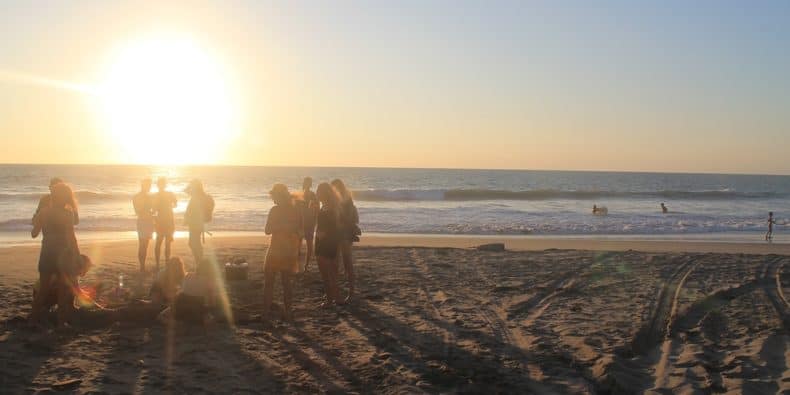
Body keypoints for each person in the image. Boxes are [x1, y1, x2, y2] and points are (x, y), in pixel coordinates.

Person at [30, 182, 81, 328]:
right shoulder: (67, 214)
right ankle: (60, 323)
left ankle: (32, 320)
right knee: (62, 291)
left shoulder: (44, 212)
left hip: (46, 254)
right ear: (66, 198)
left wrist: (37, 222)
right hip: (62, 256)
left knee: (43, 290)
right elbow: (71, 238)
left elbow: (34, 234)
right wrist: (77, 256)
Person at [262, 184, 303, 321]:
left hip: (278, 250)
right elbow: (299, 231)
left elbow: (268, 230)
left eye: (274, 196)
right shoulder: (294, 210)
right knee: (285, 283)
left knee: (271, 283)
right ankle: (287, 312)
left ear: (279, 196)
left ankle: (267, 314)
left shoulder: (276, 210)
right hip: (287, 250)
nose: (273, 200)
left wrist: (279, 227)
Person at [331, 179, 360, 303]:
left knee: (346, 263)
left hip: (344, 235)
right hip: (338, 234)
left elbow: (350, 220)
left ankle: (351, 292)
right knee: (337, 263)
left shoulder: (346, 202)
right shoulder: (341, 201)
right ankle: (338, 291)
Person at [315, 183, 343, 307]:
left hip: (327, 241)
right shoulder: (326, 206)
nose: (317, 194)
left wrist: (323, 235)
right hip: (325, 241)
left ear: (324, 193)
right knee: (331, 272)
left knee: (327, 273)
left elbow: (335, 227)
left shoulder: (330, 208)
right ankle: (335, 297)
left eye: (319, 192)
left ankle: (330, 300)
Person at [171, 259, 218, 324]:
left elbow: (183, 290)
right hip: (195, 306)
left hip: (180, 304)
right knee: (212, 316)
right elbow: (212, 301)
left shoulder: (188, 275)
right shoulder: (209, 279)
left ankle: (180, 320)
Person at [184, 179, 214, 265]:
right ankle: (199, 261)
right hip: (198, 222)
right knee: (195, 242)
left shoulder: (196, 197)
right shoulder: (200, 195)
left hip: (195, 223)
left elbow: (186, 191)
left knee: (193, 243)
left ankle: (199, 261)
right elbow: (186, 191)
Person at [152, 177, 177, 273]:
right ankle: (160, 263)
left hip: (166, 220)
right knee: (161, 242)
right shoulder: (166, 194)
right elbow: (175, 204)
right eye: (160, 184)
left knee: (165, 243)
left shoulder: (163, 195)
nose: (161, 186)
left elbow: (175, 204)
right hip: (164, 220)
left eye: (161, 184)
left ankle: (162, 263)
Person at [133, 179, 155, 273]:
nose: (150, 187)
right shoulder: (138, 197)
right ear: (144, 185)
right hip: (143, 221)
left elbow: (153, 210)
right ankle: (142, 266)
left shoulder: (147, 197)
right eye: (149, 185)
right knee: (142, 244)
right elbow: (138, 211)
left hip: (148, 221)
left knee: (145, 245)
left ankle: (143, 265)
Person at [298, 177, 319, 271]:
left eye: (309, 183)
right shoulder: (300, 194)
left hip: (310, 223)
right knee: (297, 245)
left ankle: (306, 265)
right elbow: (296, 209)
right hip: (300, 223)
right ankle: (298, 265)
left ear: (310, 184)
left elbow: (317, 209)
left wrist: (316, 222)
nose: (307, 184)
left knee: (309, 245)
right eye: (306, 182)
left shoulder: (313, 195)